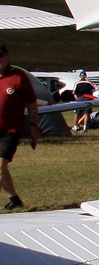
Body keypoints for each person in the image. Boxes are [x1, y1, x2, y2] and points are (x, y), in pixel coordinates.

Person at [0, 43, 41, 210]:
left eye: (0, 55)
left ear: (6, 57)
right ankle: (15, 199)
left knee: (0, 166)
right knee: (1, 168)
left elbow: (32, 103)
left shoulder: (18, 76)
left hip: (10, 130)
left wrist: (33, 125)